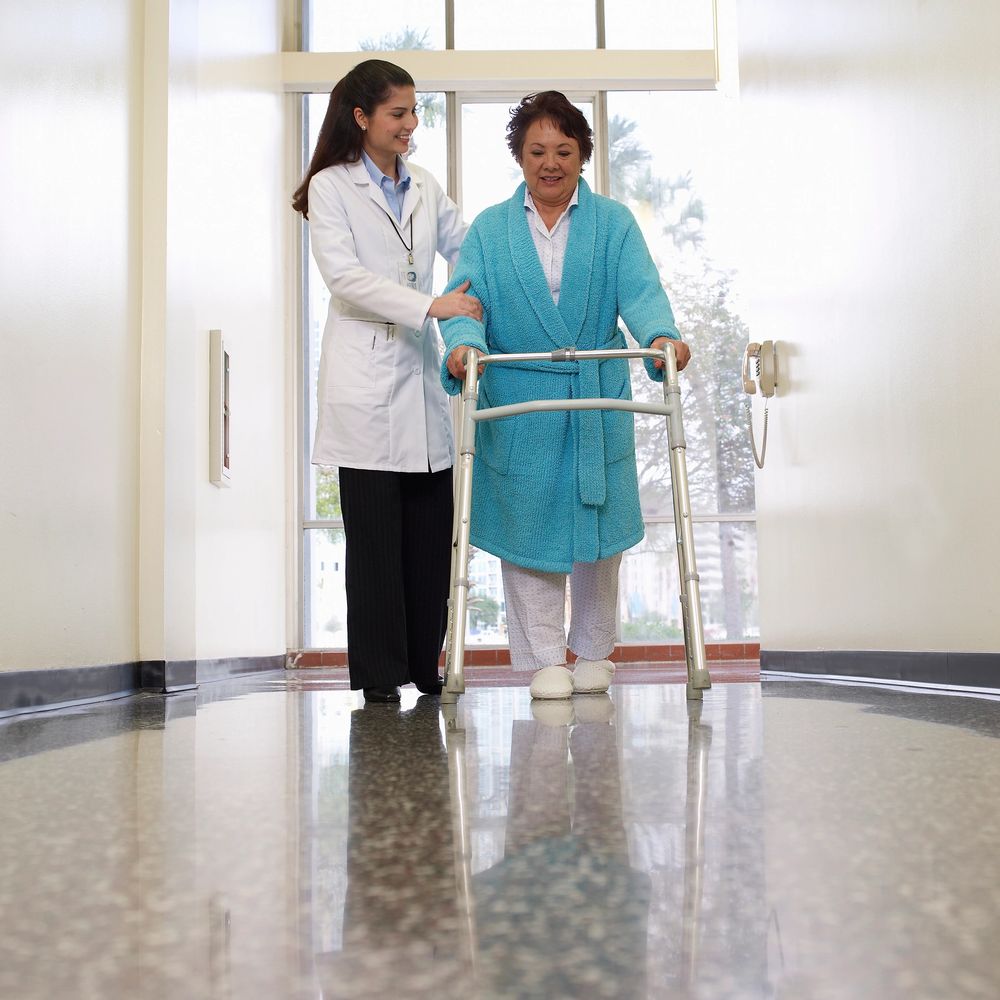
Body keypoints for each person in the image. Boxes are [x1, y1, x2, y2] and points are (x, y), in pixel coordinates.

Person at [439, 91, 691, 701]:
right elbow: (465, 302)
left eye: (564, 151)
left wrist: (661, 337)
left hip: (595, 395)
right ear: (519, 156)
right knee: (527, 529)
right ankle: (545, 659)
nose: (550, 163)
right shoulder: (490, 230)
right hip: (520, 399)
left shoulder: (613, 223)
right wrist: (465, 346)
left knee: (598, 529)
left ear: (583, 155)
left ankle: (596, 651)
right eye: (537, 151)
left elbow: (641, 292)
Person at [292, 59, 481, 704]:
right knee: (375, 544)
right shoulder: (331, 187)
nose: (410, 124)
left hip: (420, 381)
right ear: (361, 117)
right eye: (398, 113)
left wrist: (500, 266)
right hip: (364, 381)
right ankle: (377, 676)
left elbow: (467, 248)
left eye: (413, 111)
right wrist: (431, 305)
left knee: (430, 537)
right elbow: (343, 277)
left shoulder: (423, 184)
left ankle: (426, 667)